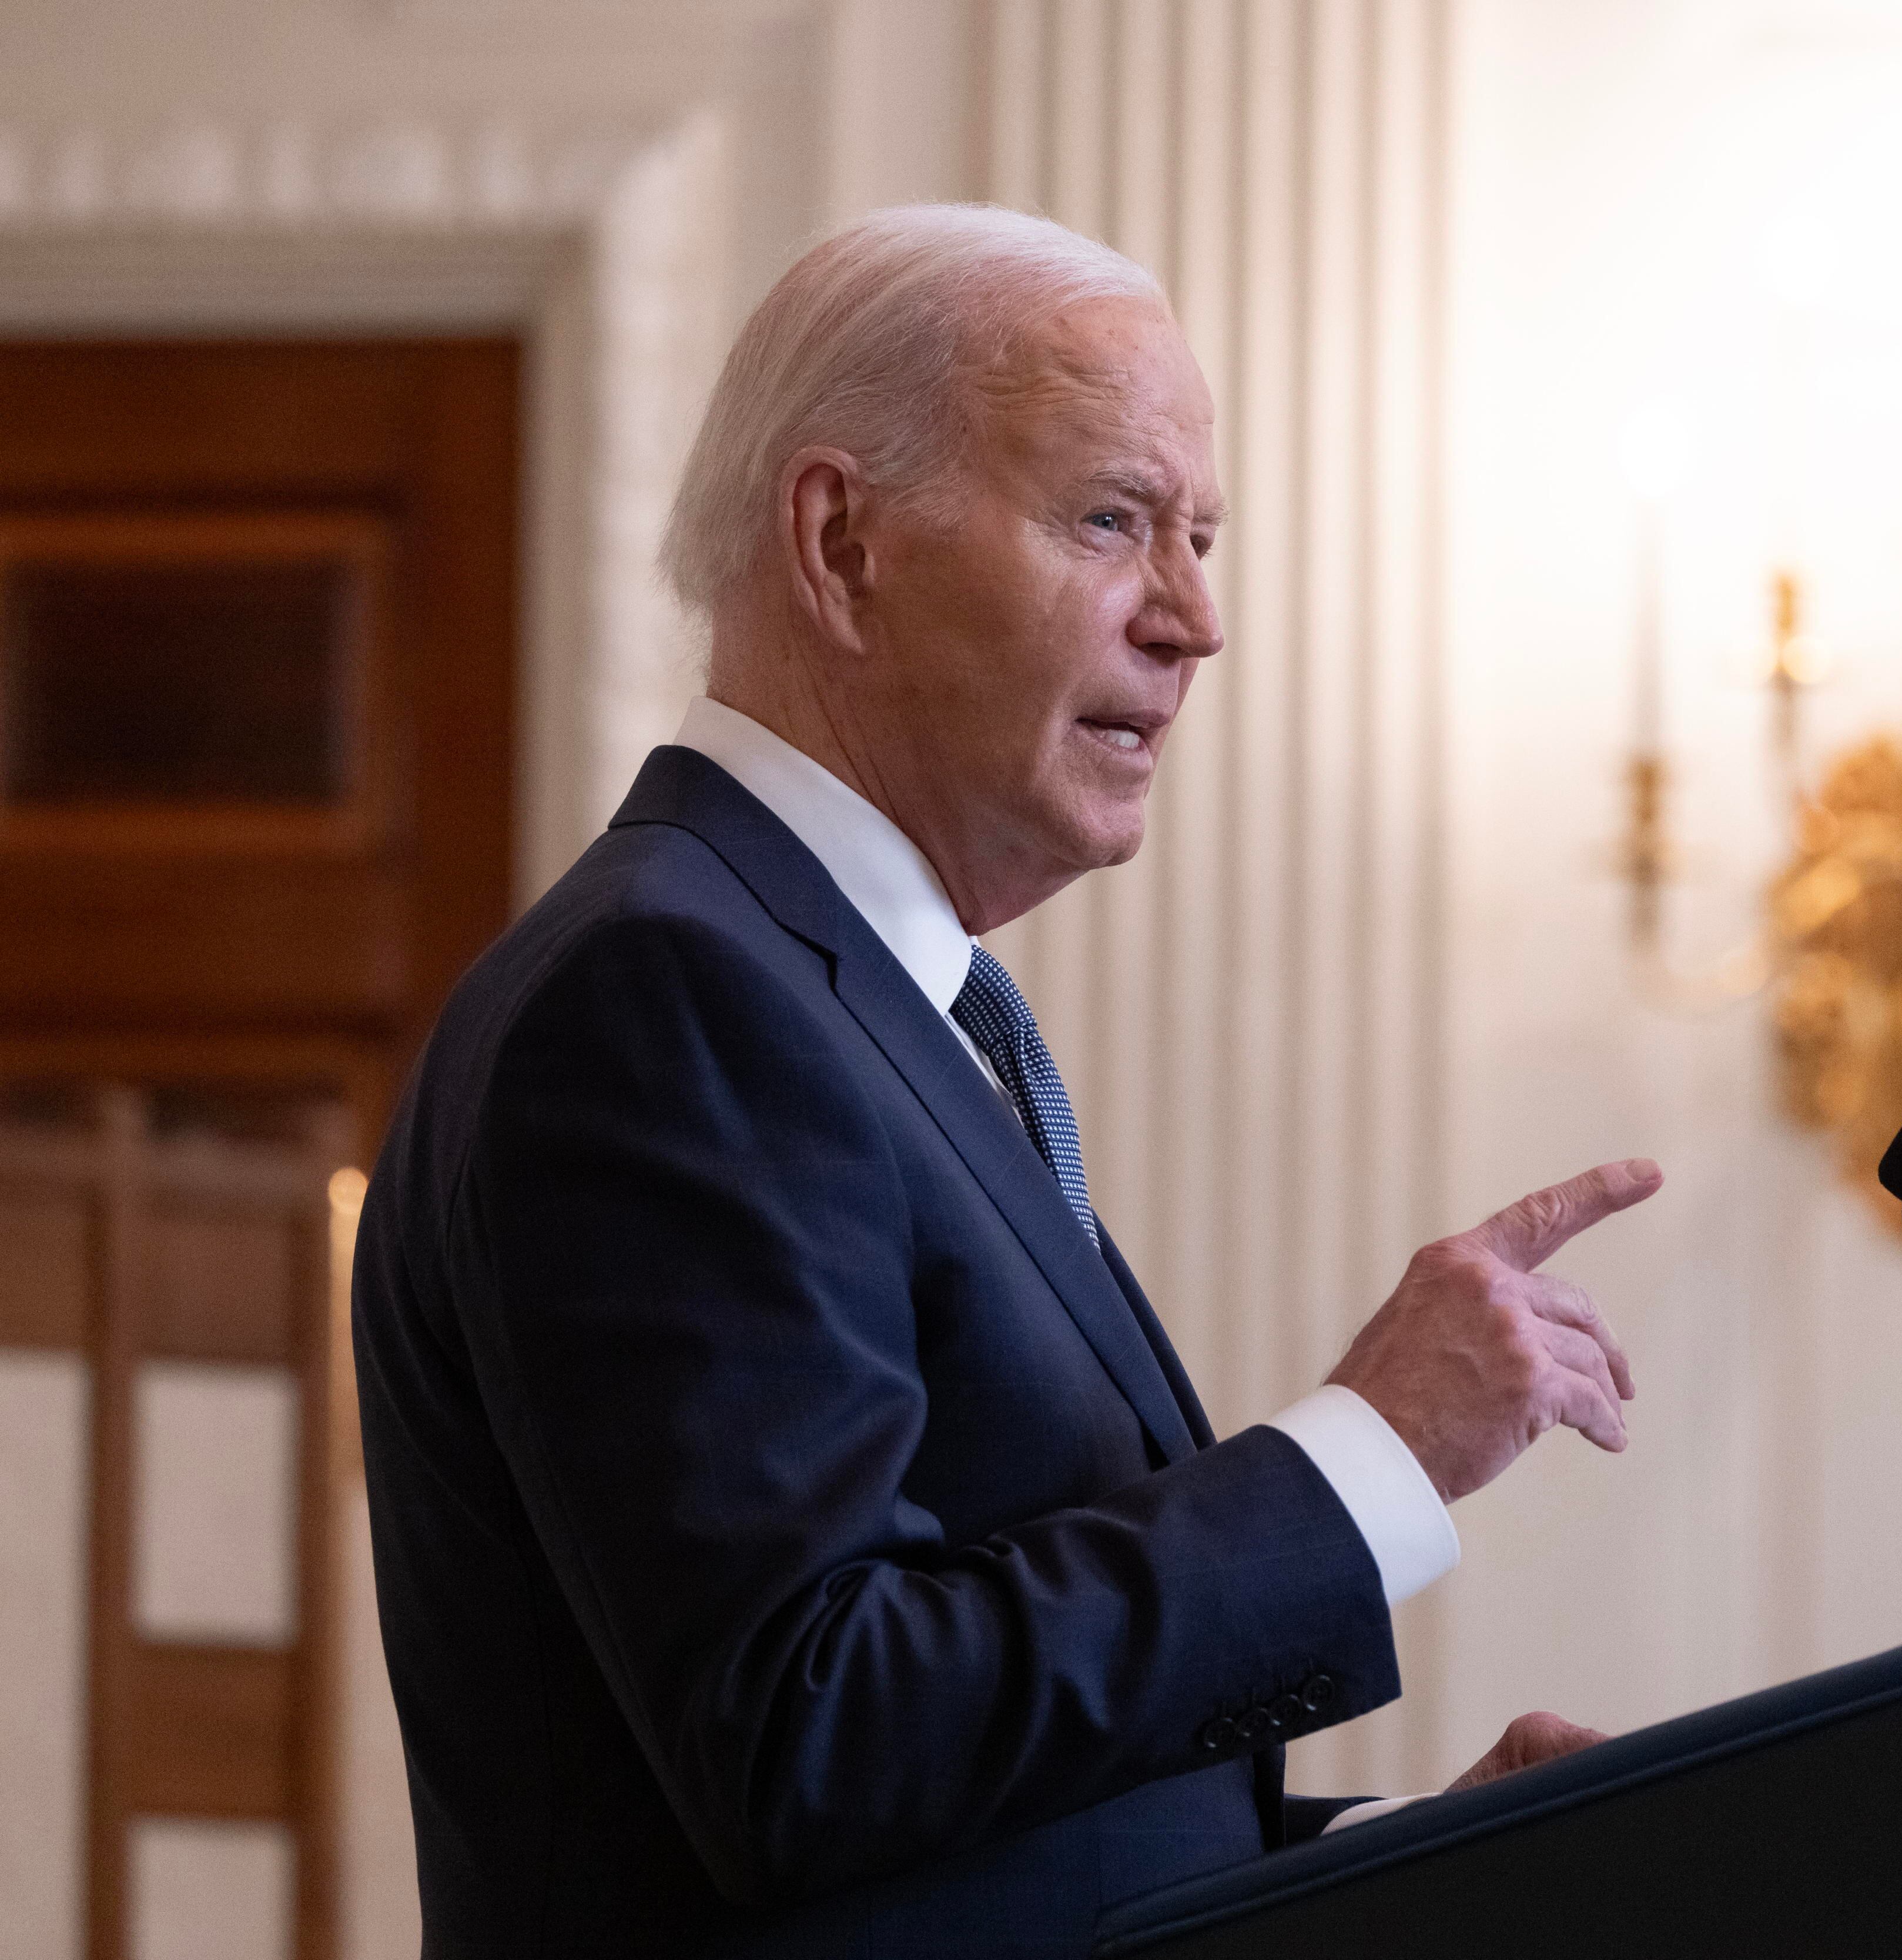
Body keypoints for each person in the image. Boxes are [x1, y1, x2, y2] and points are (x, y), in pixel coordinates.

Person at [349, 203, 1659, 1958]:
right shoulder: (666, 997)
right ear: (842, 542)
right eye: (1114, 521)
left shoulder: (873, 1005)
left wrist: (1411, 1857)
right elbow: (812, 1736)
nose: (1194, 619)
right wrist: (1369, 1452)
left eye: (1202, 537)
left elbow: (970, 1819)